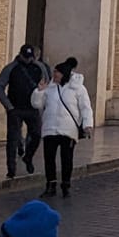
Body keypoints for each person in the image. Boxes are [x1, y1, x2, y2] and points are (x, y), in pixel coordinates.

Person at [34, 57, 92, 198]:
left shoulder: (78, 89)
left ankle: (66, 184)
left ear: (64, 73)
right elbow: (37, 104)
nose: (54, 75)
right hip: (50, 128)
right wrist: (39, 91)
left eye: (57, 72)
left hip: (68, 130)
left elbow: (85, 108)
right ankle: (51, 184)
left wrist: (87, 125)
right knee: (49, 158)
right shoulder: (50, 87)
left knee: (66, 158)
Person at [0, 45, 51, 178]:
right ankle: (11, 169)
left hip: (33, 108)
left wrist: (42, 97)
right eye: (26, 57)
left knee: (37, 135)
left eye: (30, 57)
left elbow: (46, 84)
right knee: (12, 139)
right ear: (20, 55)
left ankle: (28, 157)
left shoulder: (39, 67)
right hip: (15, 108)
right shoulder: (11, 68)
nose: (28, 60)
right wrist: (8, 106)